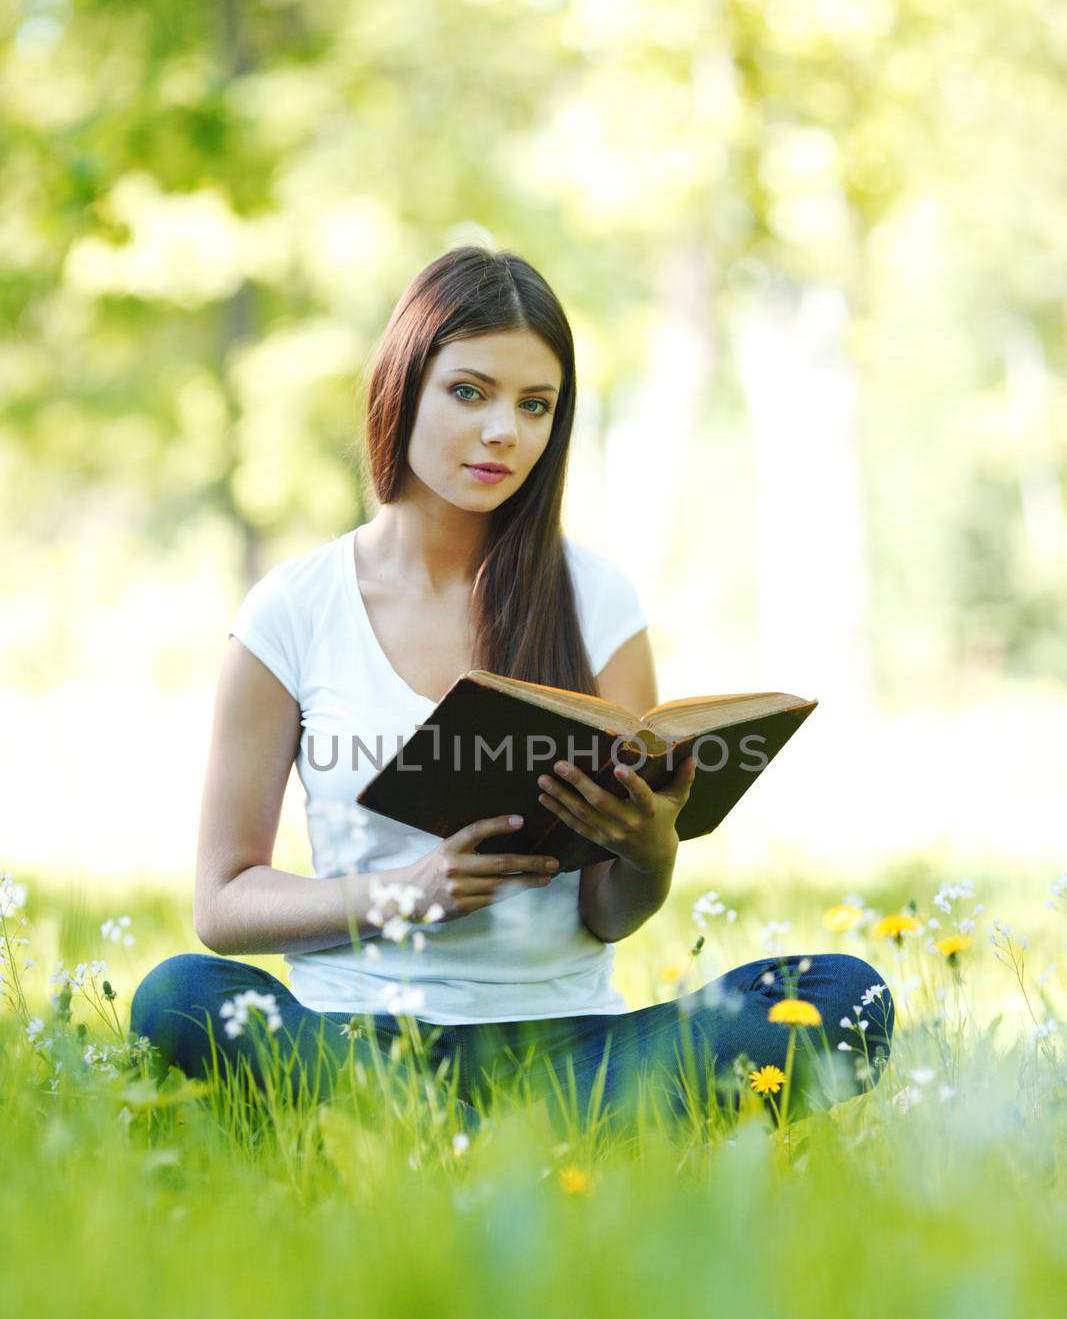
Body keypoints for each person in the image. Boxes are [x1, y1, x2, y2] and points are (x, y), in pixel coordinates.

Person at [130, 245, 894, 1129]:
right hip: (357, 1036)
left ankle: (440, 1135)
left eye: (536, 406)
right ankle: (510, 1135)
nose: (505, 431)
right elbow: (222, 902)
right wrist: (404, 896)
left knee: (844, 994)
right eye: (470, 392)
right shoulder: (293, 610)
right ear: (402, 385)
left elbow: (609, 915)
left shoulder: (595, 597)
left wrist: (649, 851)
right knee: (179, 996)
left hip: (573, 1045)